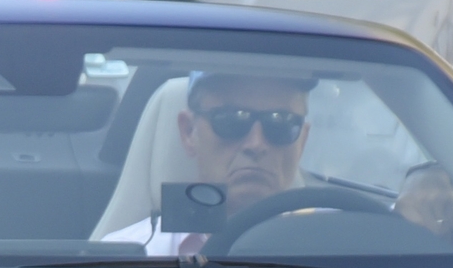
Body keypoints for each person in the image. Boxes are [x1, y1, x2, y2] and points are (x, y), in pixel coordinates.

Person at [104, 73, 313, 255]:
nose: (256, 144)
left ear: (302, 141)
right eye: (231, 120)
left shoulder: (333, 251)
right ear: (188, 133)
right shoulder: (126, 263)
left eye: (281, 123)